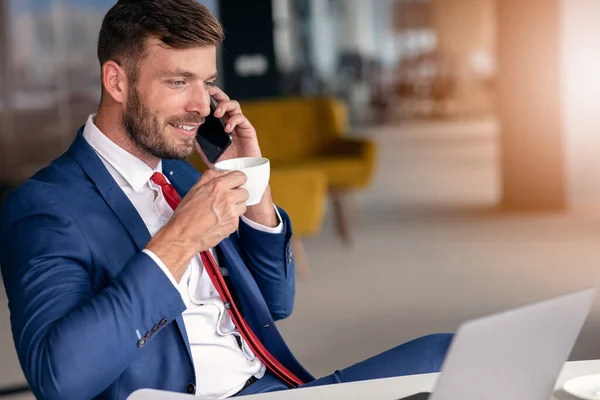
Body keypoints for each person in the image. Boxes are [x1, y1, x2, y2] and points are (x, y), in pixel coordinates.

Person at [0, 1, 452, 399]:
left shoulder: (179, 172)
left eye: (207, 82)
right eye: (179, 82)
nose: (201, 105)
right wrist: (177, 242)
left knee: (450, 355)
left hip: (277, 387)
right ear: (116, 82)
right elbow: (59, 379)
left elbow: (276, 302)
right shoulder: (46, 206)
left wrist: (251, 182)